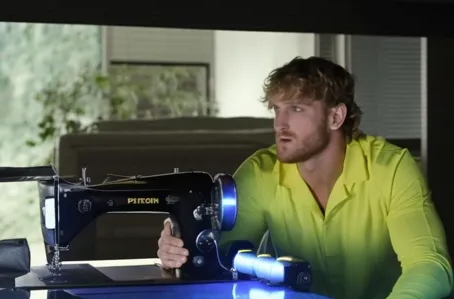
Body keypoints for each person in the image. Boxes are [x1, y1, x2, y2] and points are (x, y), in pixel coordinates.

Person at [156, 56, 453, 299]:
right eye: (277, 109)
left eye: (296, 109)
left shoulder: (392, 168)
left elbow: (430, 265)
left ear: (335, 117)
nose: (279, 124)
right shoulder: (261, 172)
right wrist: (177, 246)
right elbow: (215, 251)